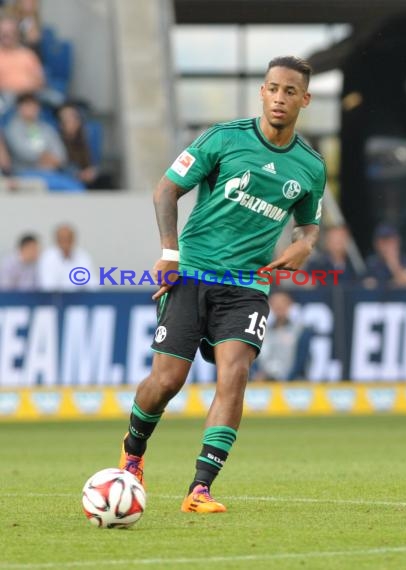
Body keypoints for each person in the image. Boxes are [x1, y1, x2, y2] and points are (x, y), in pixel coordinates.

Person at [118, 56, 326, 513]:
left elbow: (309, 224)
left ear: (304, 100)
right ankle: (132, 455)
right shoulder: (223, 138)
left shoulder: (310, 166)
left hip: (248, 284)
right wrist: (170, 254)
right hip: (193, 273)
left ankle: (200, 488)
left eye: (290, 91)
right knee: (166, 381)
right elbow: (166, 189)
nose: (279, 98)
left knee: (235, 373)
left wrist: (304, 244)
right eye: (273, 88)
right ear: (262, 92)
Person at [254, 291, 311, 381]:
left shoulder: (300, 331)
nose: (279, 306)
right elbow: (254, 358)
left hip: (291, 384)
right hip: (264, 384)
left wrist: (288, 378)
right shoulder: (261, 331)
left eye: (283, 302)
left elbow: (301, 361)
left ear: (290, 304)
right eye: (275, 303)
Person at [38, 223, 97, 291]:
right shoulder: (47, 257)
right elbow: (48, 286)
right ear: (57, 240)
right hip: (55, 299)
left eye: (69, 238)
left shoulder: (84, 257)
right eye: (62, 239)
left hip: (80, 299)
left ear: (74, 239)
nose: (66, 242)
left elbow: (93, 284)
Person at [364, 223, 406, 288]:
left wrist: (393, 263)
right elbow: (368, 285)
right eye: (383, 242)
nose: (387, 245)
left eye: (390, 241)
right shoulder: (372, 264)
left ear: (397, 241)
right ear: (376, 244)